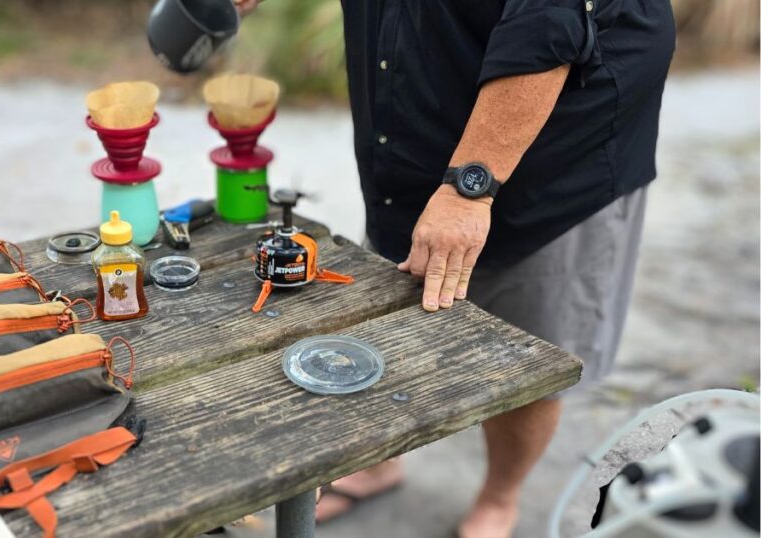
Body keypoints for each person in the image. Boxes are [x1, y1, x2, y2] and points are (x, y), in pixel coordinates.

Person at [236, 0, 676, 536]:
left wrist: (472, 187)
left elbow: (548, 24)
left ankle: (499, 498)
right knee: (391, 312)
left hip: (562, 153)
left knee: (527, 354)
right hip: (424, 101)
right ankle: (379, 463)